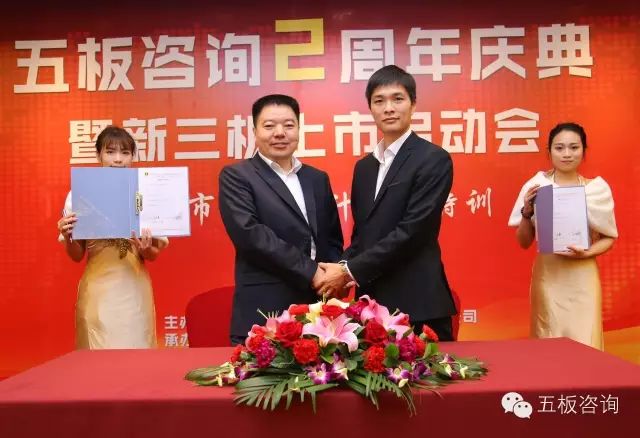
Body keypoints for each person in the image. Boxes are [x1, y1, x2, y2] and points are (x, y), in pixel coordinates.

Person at [317, 65, 457, 341]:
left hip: (419, 304)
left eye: (398, 99)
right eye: (379, 101)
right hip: (371, 305)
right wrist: (340, 267)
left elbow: (413, 231)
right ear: (370, 108)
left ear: (413, 104)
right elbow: (363, 235)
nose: (389, 108)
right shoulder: (364, 168)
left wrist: (347, 271)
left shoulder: (433, 159)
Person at [218, 94, 343, 345]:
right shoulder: (238, 176)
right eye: (269, 126)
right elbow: (251, 236)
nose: (279, 133)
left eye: (288, 125)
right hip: (265, 309)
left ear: (298, 129)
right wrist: (312, 272)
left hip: (317, 310)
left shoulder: (317, 178)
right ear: (255, 131)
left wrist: (332, 278)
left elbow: (331, 237)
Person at [508, 122, 618, 350]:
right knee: (549, 340)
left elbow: (609, 238)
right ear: (548, 152)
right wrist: (526, 212)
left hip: (583, 276)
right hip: (549, 276)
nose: (567, 154)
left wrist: (587, 253)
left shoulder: (596, 190)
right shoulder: (537, 186)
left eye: (574, 147)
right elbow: (524, 242)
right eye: (559, 148)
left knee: (586, 340)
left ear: (584, 151)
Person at [57, 126, 168, 349]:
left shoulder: (146, 193)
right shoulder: (79, 193)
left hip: (134, 291)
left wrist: (145, 248)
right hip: (97, 292)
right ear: (98, 155)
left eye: (125, 153)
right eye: (110, 152)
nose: (118, 159)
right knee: (96, 358)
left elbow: (153, 255)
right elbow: (76, 255)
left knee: (136, 356)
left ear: (133, 157)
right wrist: (67, 235)